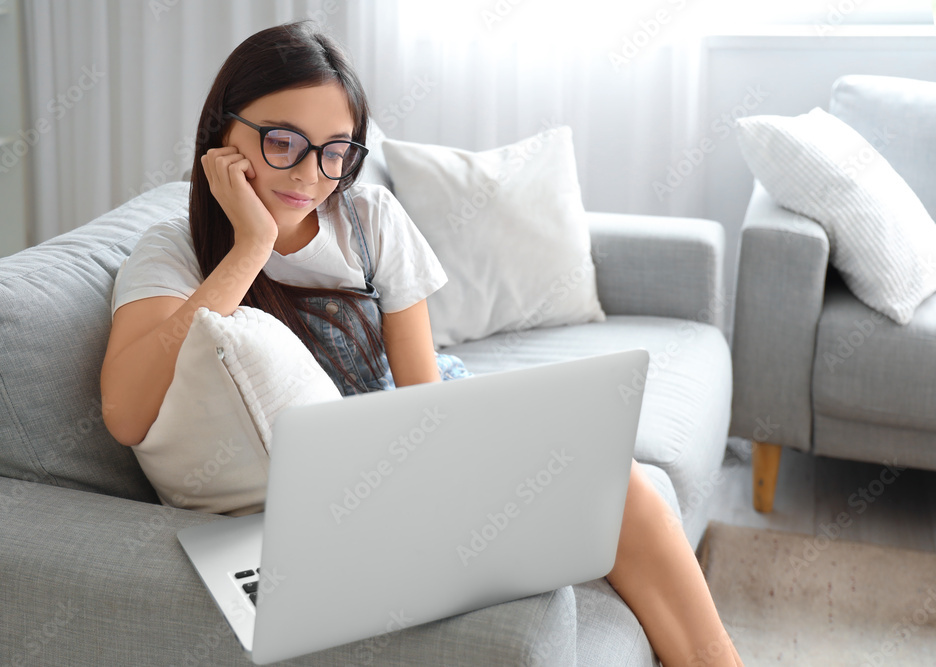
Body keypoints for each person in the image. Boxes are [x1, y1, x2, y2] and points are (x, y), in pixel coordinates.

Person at [99, 20, 743, 667]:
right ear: (222, 133)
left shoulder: (371, 220)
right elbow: (126, 412)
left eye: (335, 152)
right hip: (321, 509)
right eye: (282, 141)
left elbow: (426, 401)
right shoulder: (174, 253)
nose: (309, 175)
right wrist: (249, 250)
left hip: (415, 444)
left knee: (622, 487)